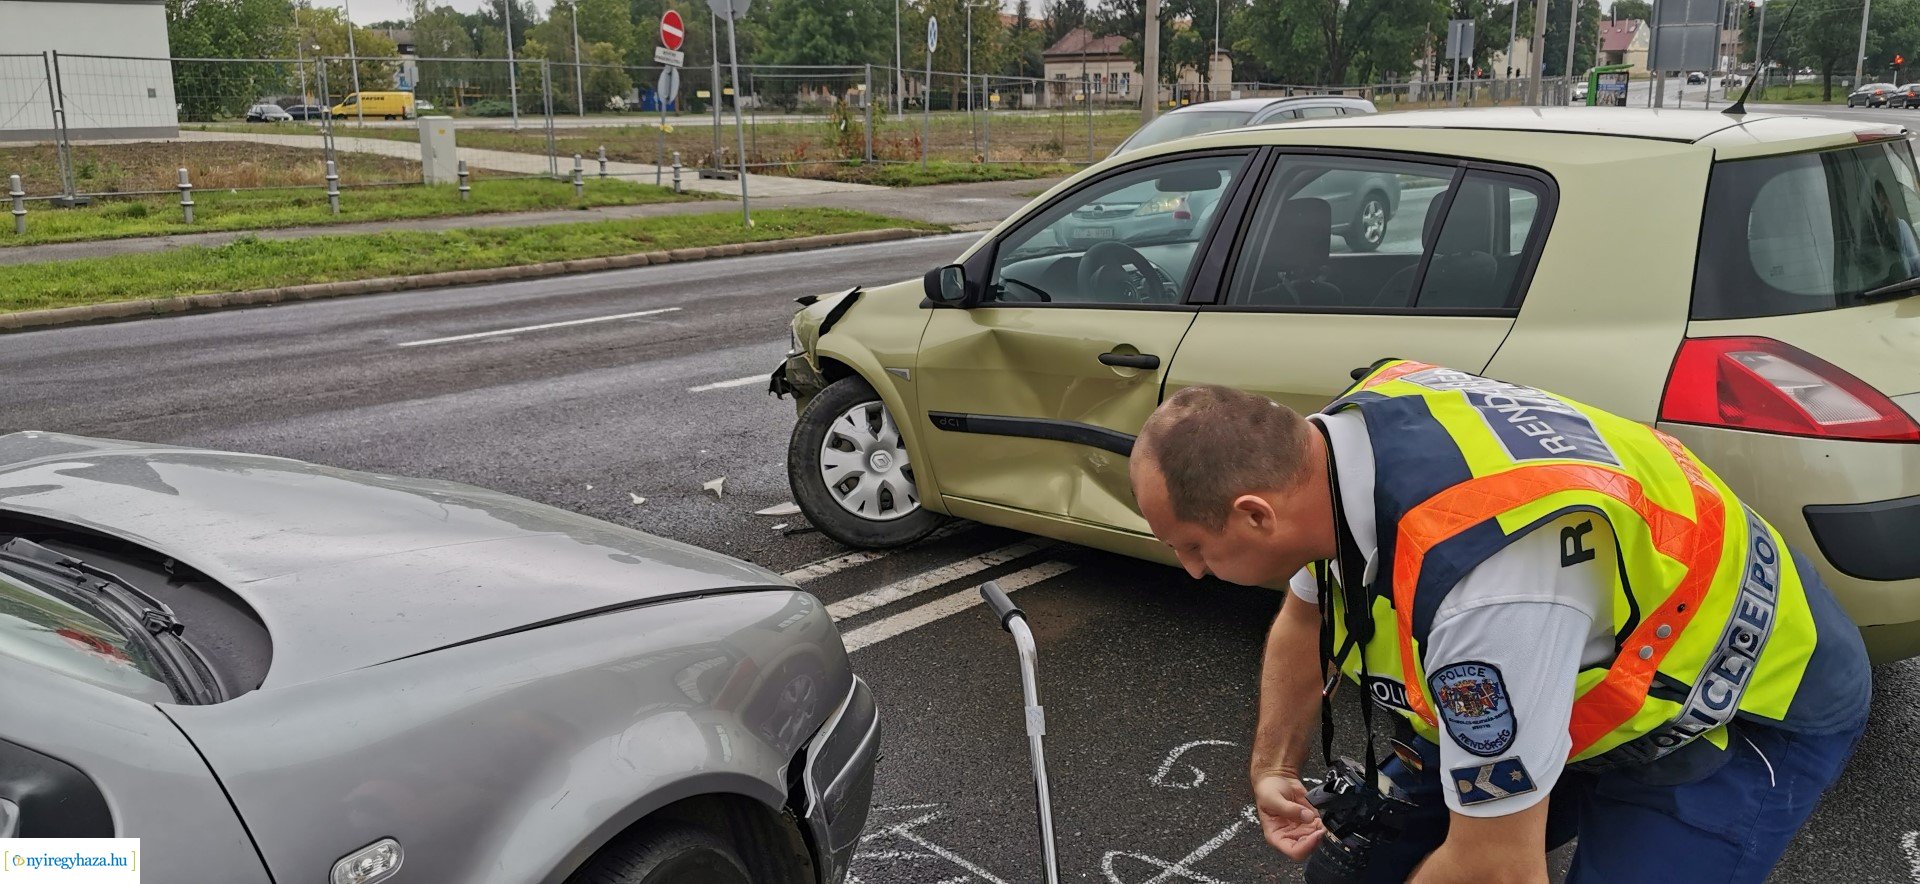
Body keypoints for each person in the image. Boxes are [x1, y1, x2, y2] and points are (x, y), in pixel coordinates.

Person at [1128, 361, 1871, 883]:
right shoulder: (1324, 457)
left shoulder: (1484, 594)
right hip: (1574, 654)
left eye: (1194, 547)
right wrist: (1272, 768)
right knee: (1366, 866)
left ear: (1254, 514)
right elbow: (1304, 615)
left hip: (1731, 705)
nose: (1191, 570)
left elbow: (1497, 870)